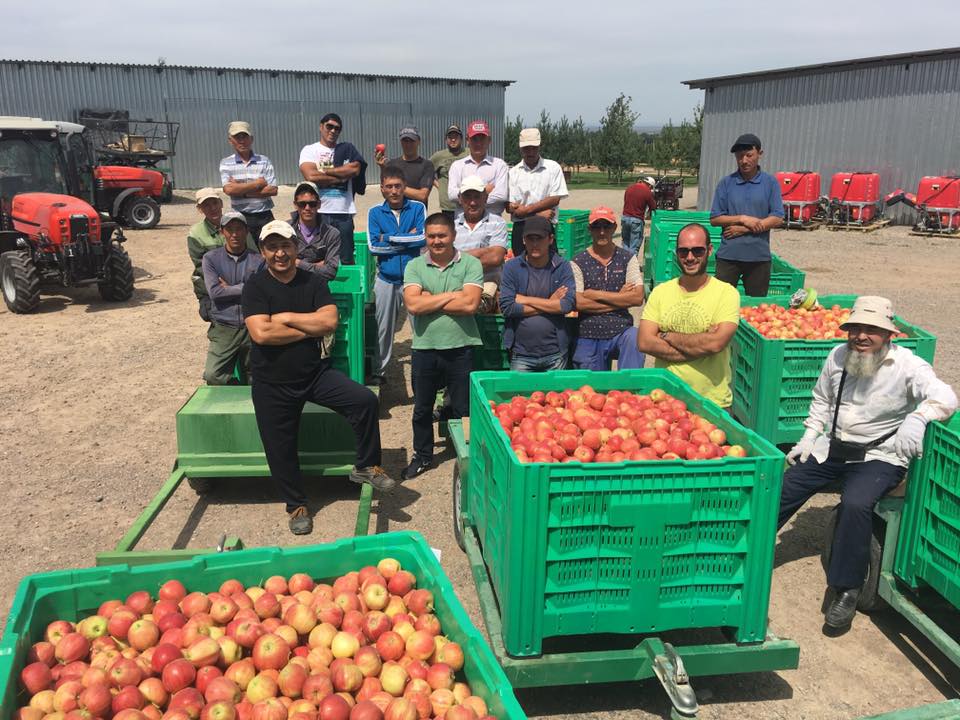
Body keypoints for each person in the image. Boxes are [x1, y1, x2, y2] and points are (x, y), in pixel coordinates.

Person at [777, 296, 957, 630]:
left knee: (856, 504)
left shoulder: (908, 366)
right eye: (856, 328)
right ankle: (748, 550)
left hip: (879, 455)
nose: (861, 336)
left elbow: (946, 397)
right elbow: (821, 399)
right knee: (784, 486)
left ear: (889, 334)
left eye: (871, 330)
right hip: (834, 447)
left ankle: (847, 588)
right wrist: (808, 437)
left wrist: (919, 417)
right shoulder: (838, 356)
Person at [242, 220, 395, 535]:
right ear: (262, 252)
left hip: (313, 373)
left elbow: (328, 322)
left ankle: (365, 465)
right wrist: (304, 327)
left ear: (296, 248)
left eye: (286, 245)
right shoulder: (255, 286)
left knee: (364, 400)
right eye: (272, 247)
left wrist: (285, 318)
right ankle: (296, 504)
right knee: (280, 447)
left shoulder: (312, 283)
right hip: (271, 383)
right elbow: (261, 333)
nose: (280, 253)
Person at [401, 213, 483, 480]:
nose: (436, 241)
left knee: (463, 407)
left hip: (461, 346)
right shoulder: (414, 265)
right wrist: (453, 295)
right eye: (432, 236)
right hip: (425, 347)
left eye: (442, 235)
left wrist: (431, 298)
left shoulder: (470, 264)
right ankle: (423, 456)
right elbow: (413, 305)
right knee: (422, 408)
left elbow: (470, 305)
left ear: (453, 236)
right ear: (426, 237)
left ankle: (466, 455)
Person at [637, 223, 740, 408]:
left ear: (709, 250)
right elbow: (644, 342)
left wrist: (666, 335)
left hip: (712, 402)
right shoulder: (661, 292)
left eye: (697, 251)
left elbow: (716, 343)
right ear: (676, 253)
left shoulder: (726, 293)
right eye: (683, 251)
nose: (690, 257)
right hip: (666, 400)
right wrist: (701, 345)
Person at [367, 166, 427, 380]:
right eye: (389, 187)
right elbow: (373, 247)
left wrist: (388, 237)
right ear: (382, 189)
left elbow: (422, 239)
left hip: (414, 279)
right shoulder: (375, 212)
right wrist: (404, 238)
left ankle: (425, 373)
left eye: (398, 186)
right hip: (386, 278)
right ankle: (379, 371)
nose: (394, 191)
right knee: (383, 329)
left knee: (421, 327)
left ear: (404, 188)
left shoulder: (418, 208)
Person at [571, 207, 646, 371]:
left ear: (614, 228)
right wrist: (620, 298)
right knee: (592, 390)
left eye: (606, 227)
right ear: (590, 229)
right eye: (597, 227)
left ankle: (629, 389)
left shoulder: (628, 258)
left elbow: (637, 297)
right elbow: (579, 303)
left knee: (635, 337)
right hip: (588, 332)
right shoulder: (578, 261)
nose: (602, 232)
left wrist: (594, 294)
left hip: (621, 329)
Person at [709, 133, 784, 296]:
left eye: (749, 155)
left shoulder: (770, 183)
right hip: (728, 256)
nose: (744, 160)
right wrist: (743, 218)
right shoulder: (726, 183)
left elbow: (777, 217)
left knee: (756, 308)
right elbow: (715, 219)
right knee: (720, 302)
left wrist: (746, 229)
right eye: (740, 156)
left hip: (758, 257)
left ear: (760, 154)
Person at [499, 216, 576, 371]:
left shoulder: (562, 266)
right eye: (530, 238)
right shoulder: (512, 267)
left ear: (550, 239)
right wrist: (550, 302)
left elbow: (567, 305)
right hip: (521, 354)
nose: (534, 244)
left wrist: (524, 299)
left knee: (556, 395)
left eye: (539, 239)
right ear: (523, 240)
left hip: (556, 353)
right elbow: (507, 307)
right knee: (521, 394)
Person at [201, 212, 264, 385]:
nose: (234, 234)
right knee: (213, 375)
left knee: (258, 376)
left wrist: (229, 288)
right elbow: (215, 293)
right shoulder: (211, 259)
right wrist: (247, 287)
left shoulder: (258, 260)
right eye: (230, 229)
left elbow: (261, 291)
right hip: (224, 326)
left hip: (252, 325)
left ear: (246, 231)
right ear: (222, 232)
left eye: (239, 229)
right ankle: (234, 391)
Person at [298, 113, 368, 264]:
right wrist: (341, 175)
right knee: (318, 256)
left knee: (346, 257)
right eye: (329, 126)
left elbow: (355, 169)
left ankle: (346, 288)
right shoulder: (310, 150)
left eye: (337, 128)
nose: (333, 131)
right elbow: (311, 176)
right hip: (319, 212)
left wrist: (324, 171)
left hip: (343, 213)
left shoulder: (347, 149)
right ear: (321, 126)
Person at [506, 128, 568, 256]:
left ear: (539, 146)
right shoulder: (513, 173)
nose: (530, 152)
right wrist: (539, 213)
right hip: (521, 228)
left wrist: (527, 211)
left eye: (534, 147)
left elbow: (554, 198)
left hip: (545, 226)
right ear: (520, 148)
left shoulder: (552, 168)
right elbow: (511, 206)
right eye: (526, 148)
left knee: (549, 268)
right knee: (522, 269)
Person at [454, 175, 509, 314]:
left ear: (485, 197)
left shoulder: (497, 222)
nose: (472, 202)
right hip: (456, 286)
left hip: (487, 286)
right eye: (467, 197)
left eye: (477, 197)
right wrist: (482, 252)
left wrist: (456, 257)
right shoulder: (451, 226)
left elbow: (495, 258)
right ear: (460, 199)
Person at [219, 121, 278, 245]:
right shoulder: (226, 163)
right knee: (246, 254)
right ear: (230, 140)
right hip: (240, 217)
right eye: (237, 137)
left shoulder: (264, 161)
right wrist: (258, 184)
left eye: (244, 136)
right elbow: (229, 190)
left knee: (270, 250)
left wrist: (241, 191)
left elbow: (272, 190)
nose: (241, 141)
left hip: (264, 215)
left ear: (251, 139)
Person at [447, 119, 509, 216]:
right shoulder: (457, 166)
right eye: (474, 139)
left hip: (492, 223)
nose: (478, 143)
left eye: (482, 139)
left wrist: (466, 195)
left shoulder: (499, 165)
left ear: (489, 140)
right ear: (467, 140)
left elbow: (501, 195)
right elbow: (451, 195)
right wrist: (484, 191)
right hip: (463, 224)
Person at [188, 188, 229, 322]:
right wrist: (220, 281)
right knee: (213, 315)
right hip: (212, 285)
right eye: (206, 205)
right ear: (200, 209)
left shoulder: (236, 224)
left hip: (238, 280)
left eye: (215, 203)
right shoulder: (196, 233)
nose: (212, 208)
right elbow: (200, 265)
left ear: (221, 204)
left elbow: (252, 255)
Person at [287, 181, 341, 282]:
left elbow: (330, 272)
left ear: (319, 204)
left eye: (312, 204)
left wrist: (298, 263)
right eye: (302, 204)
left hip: (318, 288)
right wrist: (317, 265)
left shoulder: (332, 233)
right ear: (295, 205)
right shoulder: (286, 230)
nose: (307, 208)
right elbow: (280, 266)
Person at [374, 126, 435, 205]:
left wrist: (396, 187)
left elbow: (422, 195)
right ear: (401, 142)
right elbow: (385, 194)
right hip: (394, 213)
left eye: (411, 141)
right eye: (405, 141)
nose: (408, 144)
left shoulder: (426, 165)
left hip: (416, 213)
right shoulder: (391, 164)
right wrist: (382, 167)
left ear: (419, 142)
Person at [430, 124, 468, 220]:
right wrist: (438, 185)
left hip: (467, 204)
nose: (453, 140)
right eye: (450, 137)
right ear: (446, 140)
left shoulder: (469, 153)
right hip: (448, 206)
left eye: (456, 137)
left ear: (461, 139)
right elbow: (426, 172)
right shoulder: (439, 156)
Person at [621, 176, 657, 253]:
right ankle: (631, 264)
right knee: (634, 245)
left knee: (625, 243)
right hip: (636, 220)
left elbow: (626, 201)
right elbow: (653, 206)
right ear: (650, 185)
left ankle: (624, 262)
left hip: (625, 218)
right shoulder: (647, 191)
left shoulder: (630, 187)